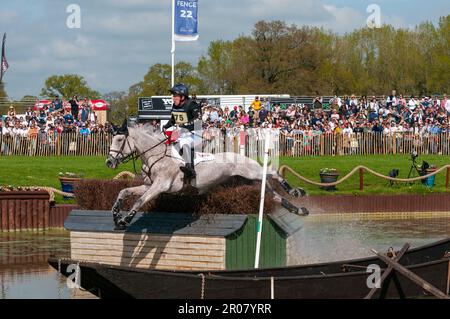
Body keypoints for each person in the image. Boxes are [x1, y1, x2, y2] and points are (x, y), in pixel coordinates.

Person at [163, 83, 201, 180]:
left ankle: (190, 169)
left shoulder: (191, 104)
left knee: (184, 142)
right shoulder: (175, 106)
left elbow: (198, 120)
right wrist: (165, 127)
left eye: (175, 95)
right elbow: (173, 120)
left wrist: (185, 127)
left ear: (182, 96)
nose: (173, 98)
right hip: (183, 134)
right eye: (173, 96)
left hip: (195, 133)